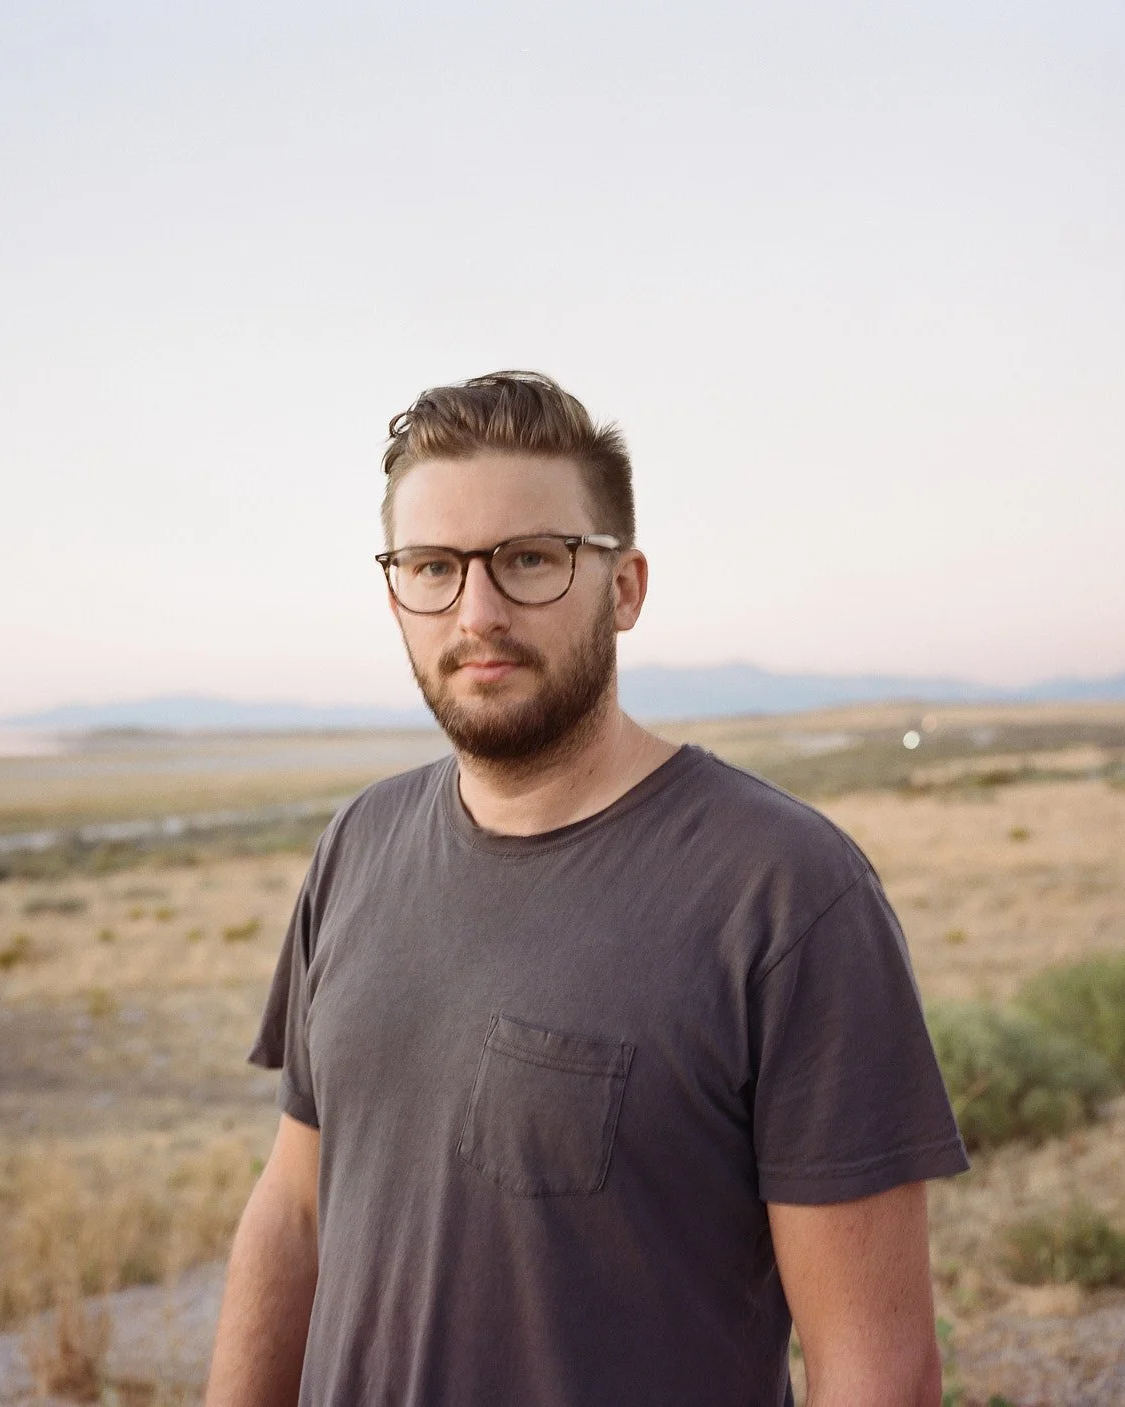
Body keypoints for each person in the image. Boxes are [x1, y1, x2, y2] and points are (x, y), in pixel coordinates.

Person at [206, 371, 967, 1407]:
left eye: (529, 559)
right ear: (396, 593)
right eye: (432, 566)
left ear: (623, 586)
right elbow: (296, 1211)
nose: (477, 612)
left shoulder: (786, 894)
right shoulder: (359, 843)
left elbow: (874, 1370)